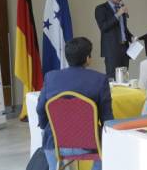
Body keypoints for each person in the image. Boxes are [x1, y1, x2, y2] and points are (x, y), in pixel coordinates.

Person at [36, 37, 113, 170]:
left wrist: (46, 128)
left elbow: (40, 109)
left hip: (55, 144)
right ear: (88, 58)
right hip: (89, 145)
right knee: (109, 140)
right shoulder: (99, 80)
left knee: (46, 134)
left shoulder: (50, 77)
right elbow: (107, 119)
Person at [95, 0, 134, 79]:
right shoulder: (100, 9)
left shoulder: (120, 8)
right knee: (112, 78)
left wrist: (131, 37)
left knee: (124, 78)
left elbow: (123, 28)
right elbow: (103, 27)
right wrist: (118, 14)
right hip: (111, 50)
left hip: (124, 49)